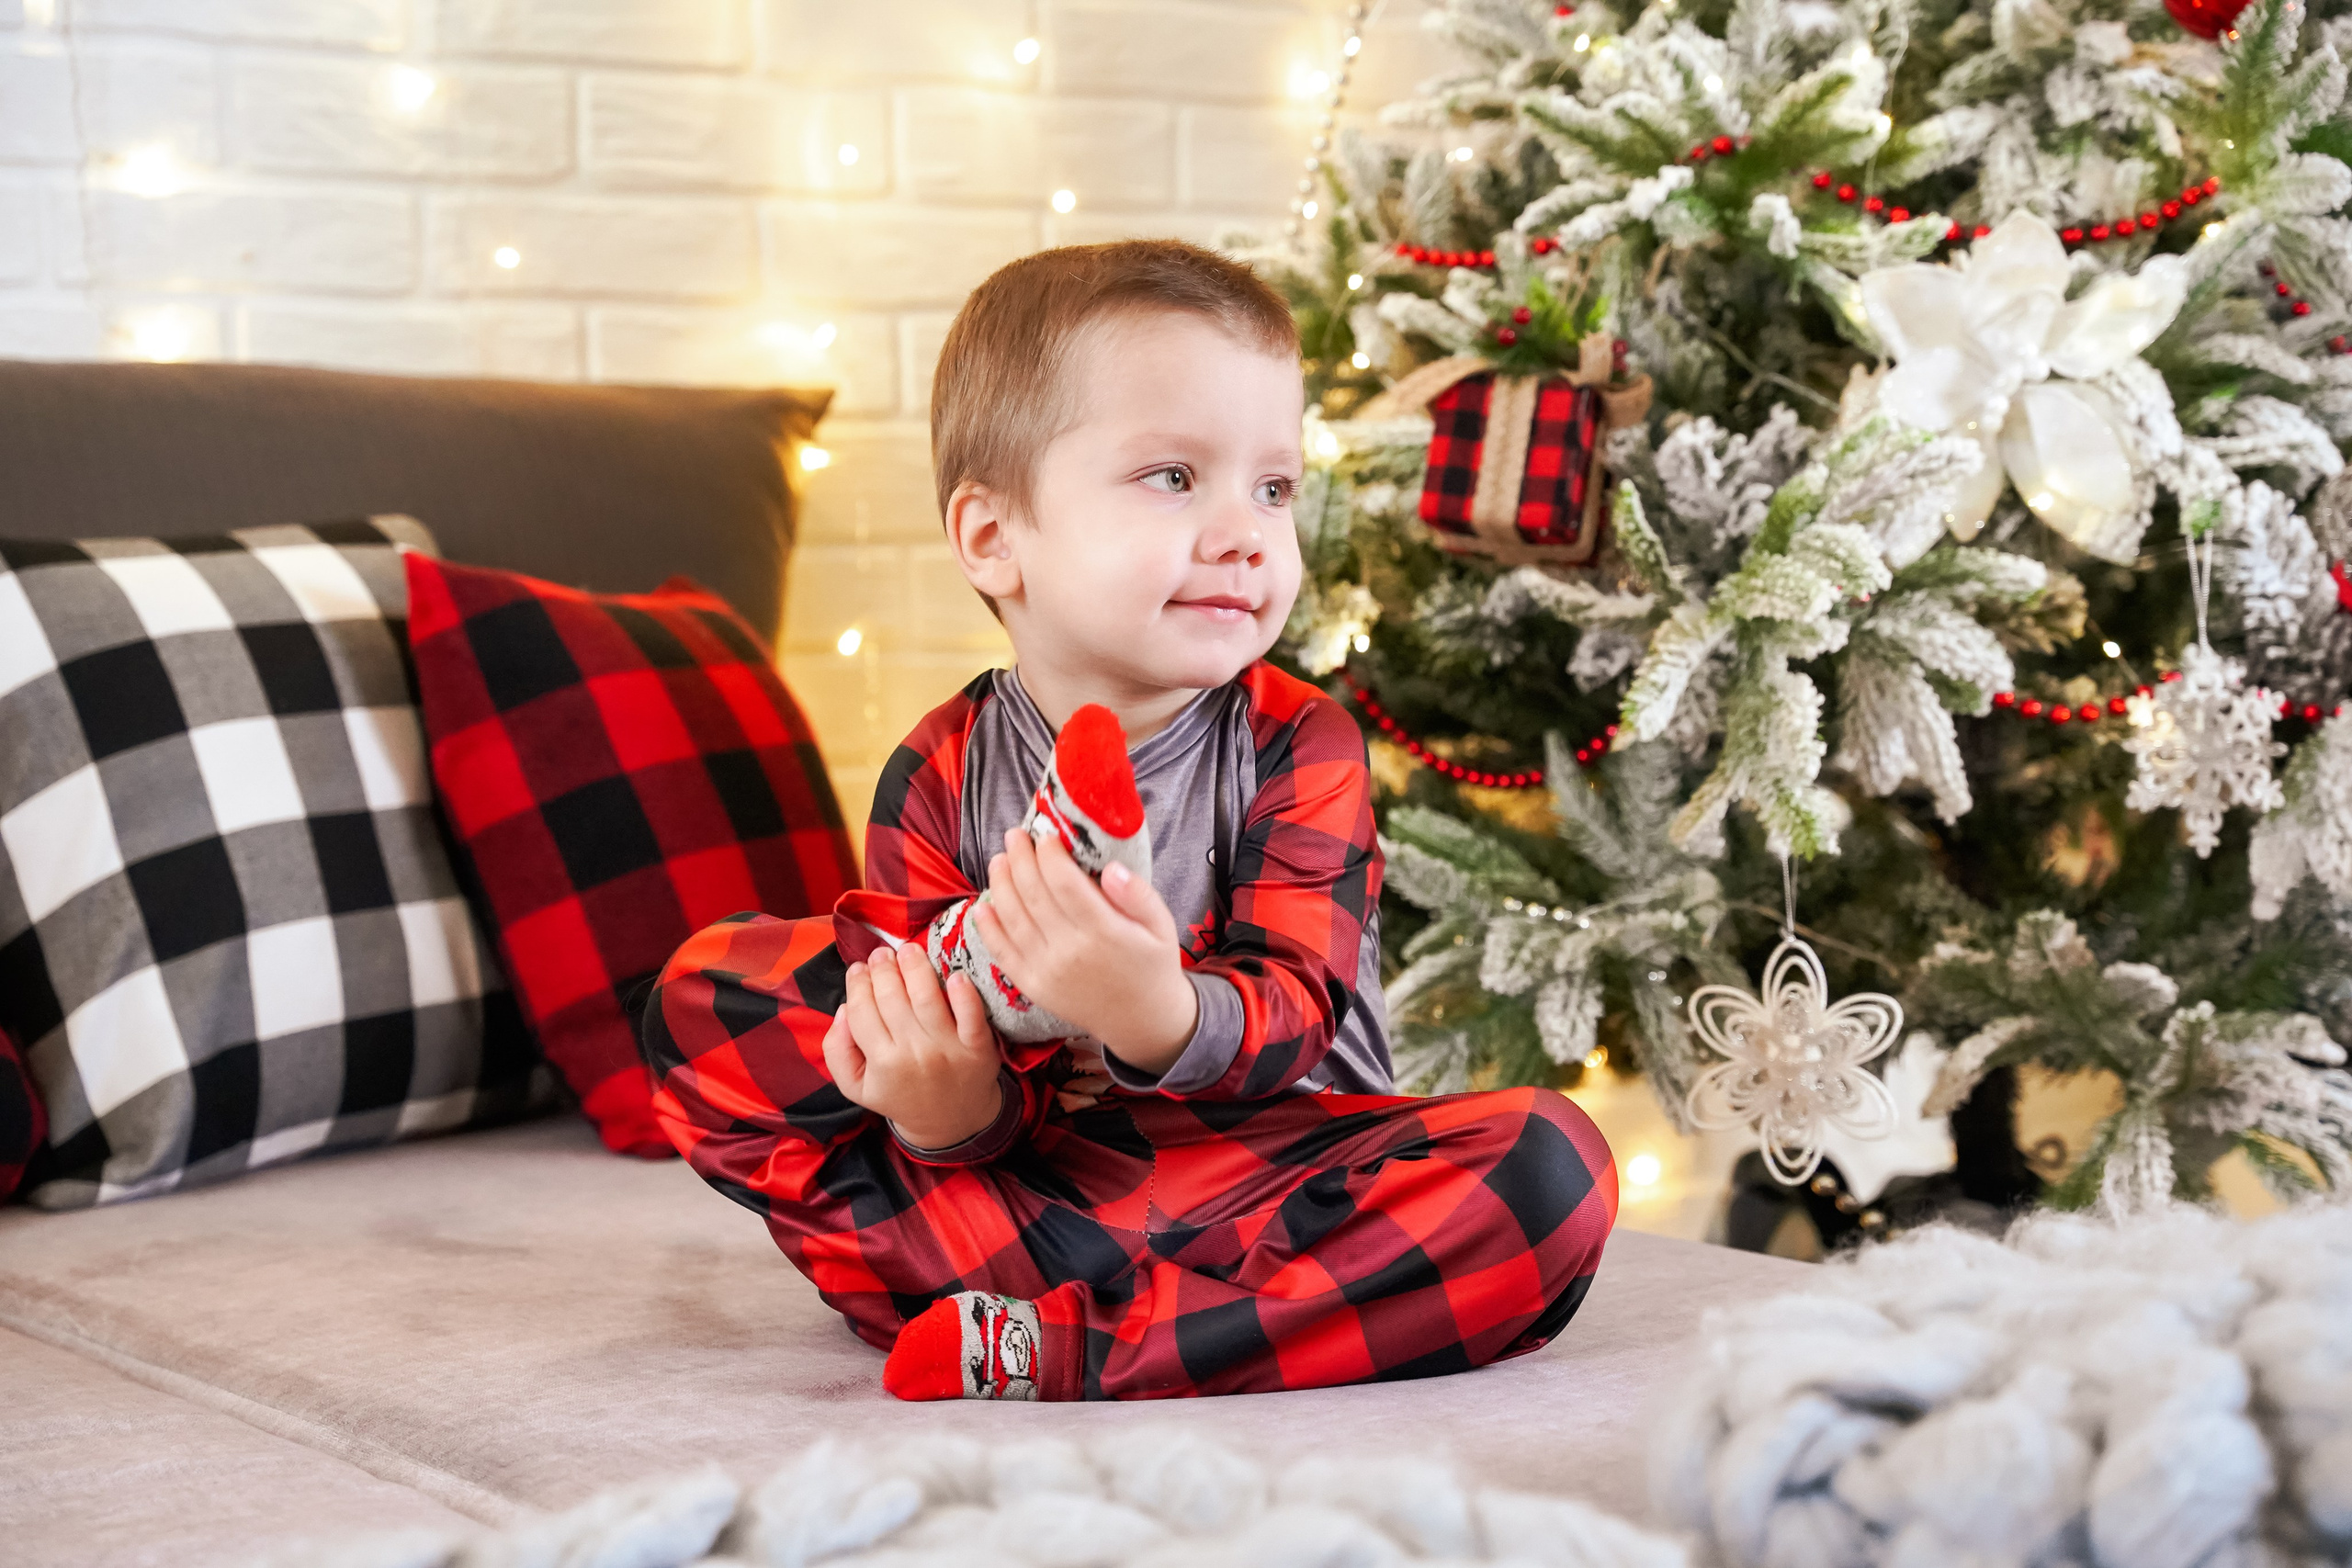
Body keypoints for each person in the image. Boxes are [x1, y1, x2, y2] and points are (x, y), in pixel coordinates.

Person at [639, 238, 1617, 1402]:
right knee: (702, 1004)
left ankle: (1068, 1348)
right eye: (1173, 476)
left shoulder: (1297, 742)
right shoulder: (939, 768)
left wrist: (1149, 1008)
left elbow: (1298, 1015)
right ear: (994, 538)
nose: (1246, 532)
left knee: (1547, 1168)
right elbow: (953, 1086)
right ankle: (1043, 1129)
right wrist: (950, 1113)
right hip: (1043, 1191)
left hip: (1275, 1182)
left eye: (1273, 488)